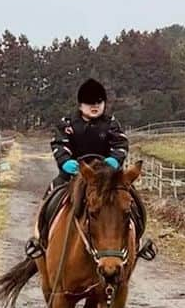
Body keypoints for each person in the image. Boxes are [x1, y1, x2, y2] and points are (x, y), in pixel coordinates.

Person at [27, 78, 151, 257]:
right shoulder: (67, 124)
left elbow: (121, 144)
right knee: (49, 198)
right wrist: (66, 162)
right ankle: (41, 240)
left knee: (133, 202)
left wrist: (114, 161)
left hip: (107, 177)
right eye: (89, 103)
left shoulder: (111, 124)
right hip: (74, 174)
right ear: (80, 104)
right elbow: (59, 145)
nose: (95, 106)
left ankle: (137, 242)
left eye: (99, 102)